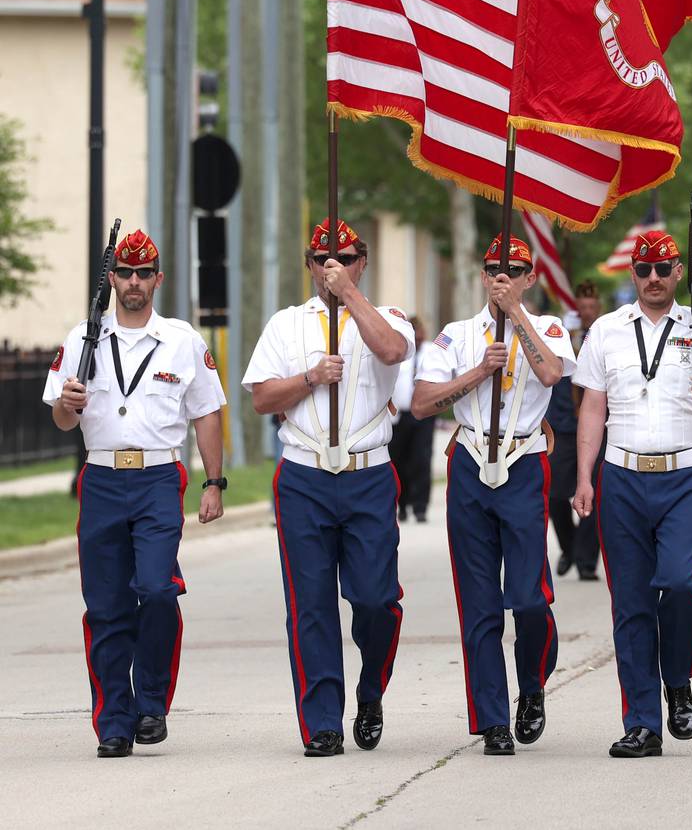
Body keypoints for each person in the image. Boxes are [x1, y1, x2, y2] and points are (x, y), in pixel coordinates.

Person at [42, 229, 226, 758]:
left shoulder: (182, 339)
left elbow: (206, 412)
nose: (134, 283)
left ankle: (151, 701)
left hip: (157, 478)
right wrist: (69, 404)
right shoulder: (83, 338)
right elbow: (59, 419)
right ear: (113, 280)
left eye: (145, 274)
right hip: (101, 477)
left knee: (159, 590)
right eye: (125, 273)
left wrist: (214, 483)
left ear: (158, 279)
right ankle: (114, 723)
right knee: (105, 607)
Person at [242, 218, 414, 758]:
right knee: (310, 605)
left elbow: (390, 352)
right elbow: (263, 399)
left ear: (362, 262)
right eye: (321, 260)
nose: (330, 267)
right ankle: (322, 722)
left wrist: (350, 296)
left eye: (342, 258)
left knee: (375, 598)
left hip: (367, 475)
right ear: (309, 266)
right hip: (304, 476)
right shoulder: (287, 326)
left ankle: (369, 690)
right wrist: (311, 378)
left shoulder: (387, 317)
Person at [573, 229, 692, 759]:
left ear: (676, 274)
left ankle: (678, 678)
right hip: (621, 476)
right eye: (642, 270)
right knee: (632, 604)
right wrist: (583, 477)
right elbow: (593, 406)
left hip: (685, 473)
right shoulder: (606, 330)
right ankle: (642, 722)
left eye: (662, 270)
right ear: (632, 274)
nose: (652, 279)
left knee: (681, 583)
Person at [412, 233, 575, 756]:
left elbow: (551, 372)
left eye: (514, 269)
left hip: (524, 463)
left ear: (530, 277)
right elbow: (421, 404)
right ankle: (492, 718)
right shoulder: (456, 336)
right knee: (479, 604)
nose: (502, 276)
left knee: (528, 599)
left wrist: (516, 316)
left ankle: (532, 685)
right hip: (470, 463)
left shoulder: (547, 327)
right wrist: (479, 369)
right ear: (482, 276)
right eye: (493, 268)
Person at [548, 280, 603, 581]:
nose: (586, 313)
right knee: (556, 495)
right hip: (564, 426)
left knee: (594, 494)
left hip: (596, 427)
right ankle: (569, 547)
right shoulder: (563, 339)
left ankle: (586, 561)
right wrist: (565, 340)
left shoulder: (603, 337)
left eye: (591, 308)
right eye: (581, 308)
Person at [389, 316, 436, 522]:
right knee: (399, 461)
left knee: (421, 460)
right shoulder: (400, 353)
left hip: (424, 416)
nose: (417, 337)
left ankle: (420, 507)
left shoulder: (431, 352)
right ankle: (402, 505)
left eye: (419, 333)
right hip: (400, 416)